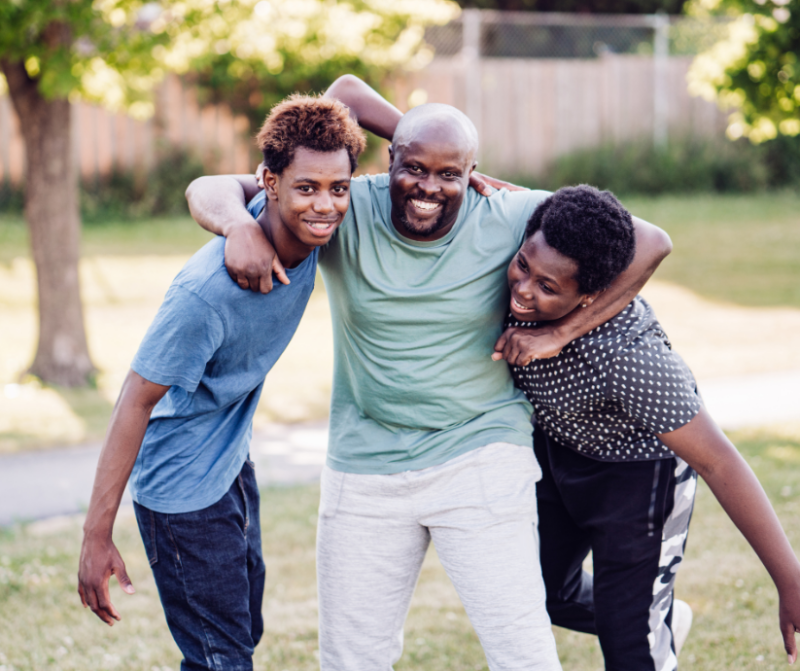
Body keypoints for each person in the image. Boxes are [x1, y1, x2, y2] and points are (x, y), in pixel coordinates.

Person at [185, 75, 672, 671]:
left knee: (523, 653)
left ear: (472, 172)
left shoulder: (507, 210)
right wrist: (239, 226)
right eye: (415, 168)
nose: (428, 188)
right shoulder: (345, 204)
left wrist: (557, 333)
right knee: (350, 659)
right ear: (391, 159)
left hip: (481, 454)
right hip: (365, 463)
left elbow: (650, 238)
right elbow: (211, 185)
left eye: (450, 174)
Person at [77, 95, 367, 671]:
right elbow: (135, 400)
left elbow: (350, 92)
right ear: (271, 183)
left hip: (230, 460)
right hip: (181, 489)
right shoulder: (206, 295)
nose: (325, 205)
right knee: (220, 657)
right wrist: (95, 534)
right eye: (306, 187)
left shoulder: (307, 225)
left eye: (339, 188)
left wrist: (468, 171)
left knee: (240, 631)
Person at [504, 184, 800, 671]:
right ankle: (654, 616)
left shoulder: (629, 358)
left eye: (549, 288)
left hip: (639, 478)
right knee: (537, 592)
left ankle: (643, 624)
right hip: (562, 451)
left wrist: (789, 580)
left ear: (592, 296)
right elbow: (648, 235)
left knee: (630, 648)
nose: (524, 289)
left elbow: (719, 461)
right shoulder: (547, 237)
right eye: (523, 266)